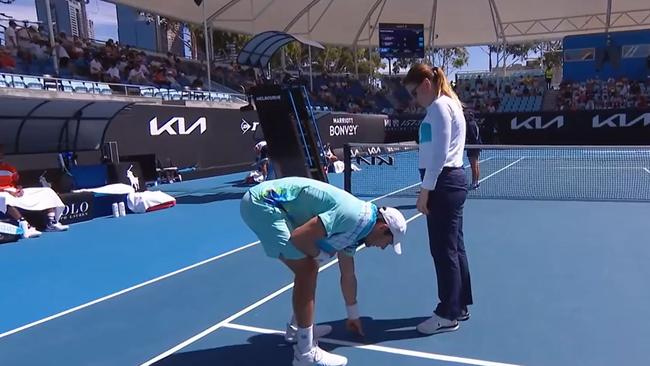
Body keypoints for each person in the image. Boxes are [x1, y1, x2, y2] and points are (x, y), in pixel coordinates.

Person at [240, 176, 407, 366]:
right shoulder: (353, 216)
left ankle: (297, 329)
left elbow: (348, 274)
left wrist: (352, 315)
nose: (385, 247)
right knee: (308, 269)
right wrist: (320, 255)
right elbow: (300, 238)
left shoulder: (360, 228)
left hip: (274, 206)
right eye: (389, 242)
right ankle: (305, 353)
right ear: (383, 228)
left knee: (310, 266)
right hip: (263, 204)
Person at [403, 64, 473, 335]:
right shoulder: (449, 104)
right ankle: (459, 305)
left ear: (425, 85)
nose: (414, 100)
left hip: (443, 184)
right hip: (449, 183)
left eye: (413, 93)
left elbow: (439, 155)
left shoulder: (440, 108)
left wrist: (425, 190)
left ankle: (447, 313)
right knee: (455, 248)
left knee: (443, 251)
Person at [0, 145, 69, 238]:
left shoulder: (10, 168)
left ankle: (51, 223)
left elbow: (16, 183)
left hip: (13, 191)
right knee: (4, 198)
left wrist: (19, 189)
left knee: (47, 191)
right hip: (3, 193)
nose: (0, 154)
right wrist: (8, 192)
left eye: (1, 152)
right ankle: (25, 226)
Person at [464, 107, 482, 190]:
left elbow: (473, 137)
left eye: (467, 115)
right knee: (476, 165)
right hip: (476, 147)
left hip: (473, 148)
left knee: (473, 166)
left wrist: (467, 142)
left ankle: (474, 183)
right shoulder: (474, 123)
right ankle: (476, 182)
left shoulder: (470, 125)